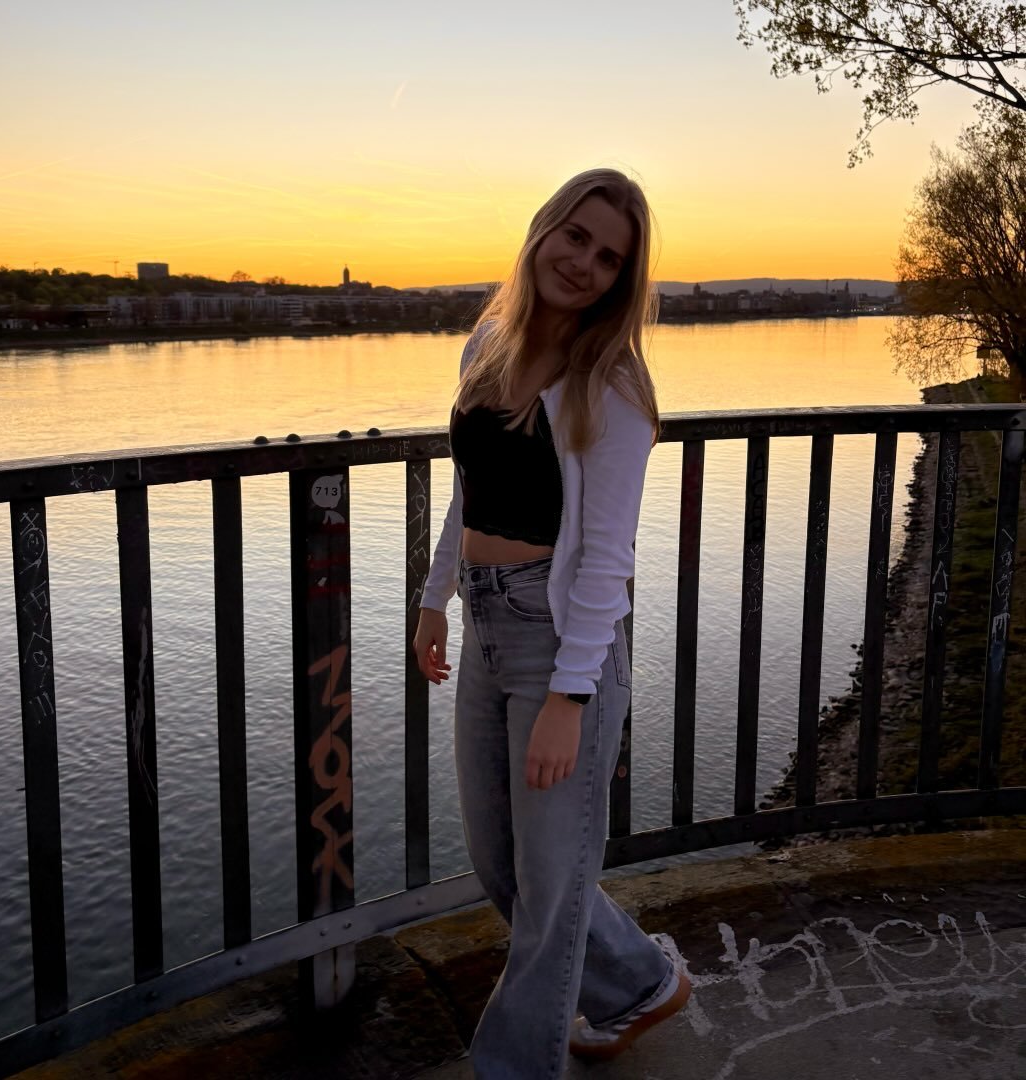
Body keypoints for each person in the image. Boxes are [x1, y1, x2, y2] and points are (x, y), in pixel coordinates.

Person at [413, 168, 690, 1079]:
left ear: (621, 280)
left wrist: (570, 697)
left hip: (561, 642)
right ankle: (641, 982)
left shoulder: (612, 385)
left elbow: (606, 558)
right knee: (503, 865)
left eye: (609, 258)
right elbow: (471, 488)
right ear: (543, 230)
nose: (584, 263)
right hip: (487, 626)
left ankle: (512, 1065)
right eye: (577, 236)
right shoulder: (488, 343)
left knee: (548, 886)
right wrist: (436, 596)